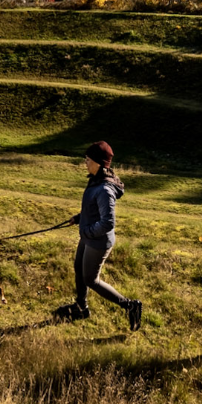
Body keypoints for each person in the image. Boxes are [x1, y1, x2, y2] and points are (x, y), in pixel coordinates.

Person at [54, 141, 142, 330]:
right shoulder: (95, 180)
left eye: (88, 159)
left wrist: (86, 230)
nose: (85, 163)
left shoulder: (104, 189)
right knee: (78, 267)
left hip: (98, 241)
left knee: (90, 279)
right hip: (88, 236)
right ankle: (81, 308)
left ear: (98, 162)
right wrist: (79, 218)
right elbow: (93, 210)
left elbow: (108, 222)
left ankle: (130, 306)